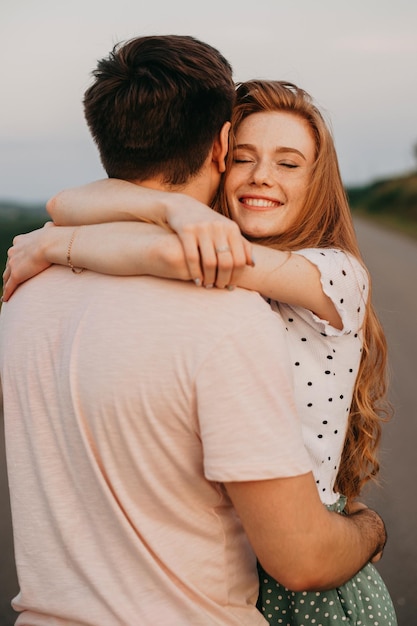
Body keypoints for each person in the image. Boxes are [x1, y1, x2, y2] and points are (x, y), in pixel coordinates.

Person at [0, 38, 388, 626]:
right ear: (220, 150)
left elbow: (156, 245)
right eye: (244, 157)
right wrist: (172, 211)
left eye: (289, 162)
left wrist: (58, 241)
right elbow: (66, 200)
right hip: (247, 559)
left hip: (304, 563)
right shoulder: (215, 291)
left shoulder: (334, 274)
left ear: (319, 182)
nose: (262, 176)